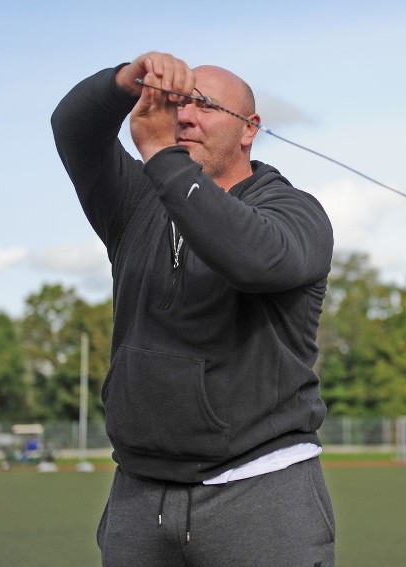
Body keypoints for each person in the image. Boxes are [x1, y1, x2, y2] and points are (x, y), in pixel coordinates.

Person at [51, 52, 336, 566]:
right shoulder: (135, 199)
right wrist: (127, 79)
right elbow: (73, 128)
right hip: (139, 492)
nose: (182, 116)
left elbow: (255, 260)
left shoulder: (295, 212)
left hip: (261, 487)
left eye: (202, 106)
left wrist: (161, 154)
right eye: (175, 102)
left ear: (249, 129)